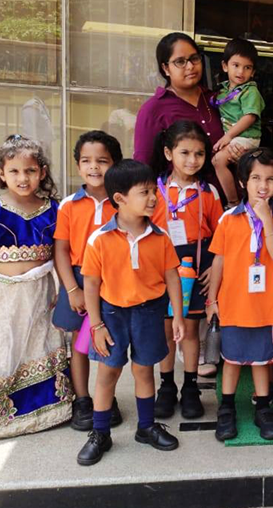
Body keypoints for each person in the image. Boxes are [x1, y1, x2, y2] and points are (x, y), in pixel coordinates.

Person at [76, 159, 185, 466]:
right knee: (108, 372)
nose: (153, 198)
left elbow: (172, 277)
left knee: (144, 370)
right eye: (144, 192)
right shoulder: (99, 239)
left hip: (150, 312)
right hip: (112, 315)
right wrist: (96, 325)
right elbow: (91, 284)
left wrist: (177, 315)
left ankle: (146, 427)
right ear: (120, 198)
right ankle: (100, 433)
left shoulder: (161, 237)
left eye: (153, 191)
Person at [0, 135, 71, 442]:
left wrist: (64, 290)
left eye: (30, 171)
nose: (23, 178)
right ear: (2, 173)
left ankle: (45, 410)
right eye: (15, 171)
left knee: (38, 345)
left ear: (42, 172)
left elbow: (61, 255)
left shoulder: (54, 209)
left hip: (40, 295)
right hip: (1, 297)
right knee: (2, 350)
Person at [206, 148, 273, 442]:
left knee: (263, 360)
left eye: (270, 179)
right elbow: (218, 260)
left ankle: (263, 407)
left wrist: (266, 218)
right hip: (233, 303)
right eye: (256, 178)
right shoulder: (228, 218)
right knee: (231, 359)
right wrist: (211, 300)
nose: (263, 185)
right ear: (243, 182)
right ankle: (227, 407)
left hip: (266, 305)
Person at [150, 120, 224, 421]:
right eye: (185, 153)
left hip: (197, 263)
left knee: (191, 328)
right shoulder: (153, 189)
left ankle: (190, 387)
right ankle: (167, 386)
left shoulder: (209, 192)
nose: (192, 160)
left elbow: (221, 235)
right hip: (161, 265)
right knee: (166, 328)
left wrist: (214, 266)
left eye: (199, 154)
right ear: (169, 153)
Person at [53, 131, 123, 432]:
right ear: (78, 165)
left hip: (113, 281)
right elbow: (61, 250)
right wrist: (72, 289)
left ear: (115, 164)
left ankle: (106, 399)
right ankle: (82, 400)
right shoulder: (69, 205)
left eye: (102, 161)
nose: (94, 167)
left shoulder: (122, 202)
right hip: (79, 279)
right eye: (86, 161)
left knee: (111, 340)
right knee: (79, 343)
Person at [133, 32, 246, 199]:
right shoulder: (153, 109)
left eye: (194, 58)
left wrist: (240, 153)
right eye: (180, 62)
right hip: (181, 203)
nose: (190, 66)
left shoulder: (217, 99)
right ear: (166, 68)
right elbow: (144, 166)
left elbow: (245, 137)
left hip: (231, 201)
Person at [211, 38, 266, 204]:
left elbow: (250, 117)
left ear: (253, 72)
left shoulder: (250, 91)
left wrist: (228, 136)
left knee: (218, 161)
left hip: (246, 136)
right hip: (236, 136)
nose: (241, 72)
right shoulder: (223, 90)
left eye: (247, 67)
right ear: (225, 66)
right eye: (236, 65)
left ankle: (233, 202)